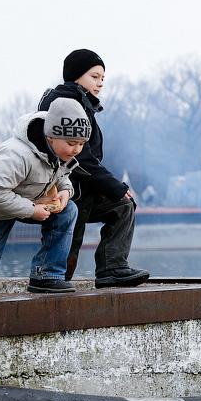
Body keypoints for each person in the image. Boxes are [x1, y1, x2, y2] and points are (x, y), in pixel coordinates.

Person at [38, 49, 150, 288]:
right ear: (77, 76)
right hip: (68, 188)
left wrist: (115, 189)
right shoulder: (66, 104)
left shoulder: (81, 103)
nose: (100, 83)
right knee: (68, 245)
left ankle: (112, 269)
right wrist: (115, 186)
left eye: (102, 78)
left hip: (84, 186)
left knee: (123, 206)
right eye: (94, 76)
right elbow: (81, 159)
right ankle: (50, 285)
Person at [0, 98, 89, 295]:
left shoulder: (59, 153)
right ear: (51, 137)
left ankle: (46, 276)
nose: (77, 150)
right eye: (72, 143)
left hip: (24, 200)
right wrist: (31, 210)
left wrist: (65, 191)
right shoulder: (16, 155)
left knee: (69, 210)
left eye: (81, 143)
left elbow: (61, 175)